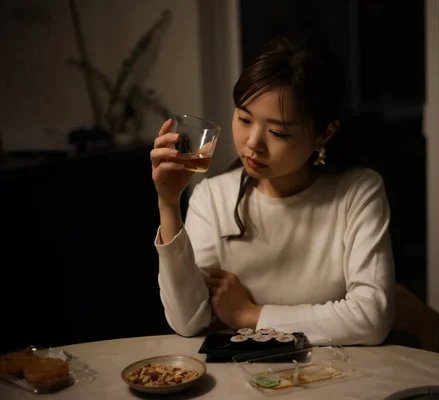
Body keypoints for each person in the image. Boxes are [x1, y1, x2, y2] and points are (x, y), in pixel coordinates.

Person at [150, 34, 396, 346]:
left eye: (277, 132)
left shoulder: (358, 192)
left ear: (324, 134)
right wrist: (169, 204)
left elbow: (371, 318)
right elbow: (187, 321)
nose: (253, 143)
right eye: (244, 118)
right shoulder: (212, 197)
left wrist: (249, 314)